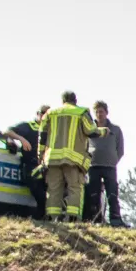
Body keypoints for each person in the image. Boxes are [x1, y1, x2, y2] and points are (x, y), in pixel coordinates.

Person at [38, 91, 106, 222]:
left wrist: (40, 156)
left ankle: (53, 218)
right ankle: (72, 219)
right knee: (74, 188)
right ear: (75, 100)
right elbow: (91, 131)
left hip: (52, 158)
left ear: (63, 100)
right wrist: (103, 131)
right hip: (73, 159)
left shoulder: (50, 113)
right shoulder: (81, 112)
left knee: (53, 189)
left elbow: (42, 136)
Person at [84, 100, 127, 226]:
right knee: (94, 195)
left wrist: (114, 160)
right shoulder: (90, 129)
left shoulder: (115, 129)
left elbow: (120, 149)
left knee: (112, 193)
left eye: (101, 111)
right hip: (93, 166)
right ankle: (95, 219)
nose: (99, 114)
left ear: (106, 112)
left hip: (110, 166)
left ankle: (115, 219)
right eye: (96, 112)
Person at [5, 106, 47, 217]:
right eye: (43, 113)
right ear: (38, 113)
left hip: (44, 166)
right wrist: (22, 139)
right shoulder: (29, 126)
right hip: (30, 164)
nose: (45, 116)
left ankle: (42, 215)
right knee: (37, 190)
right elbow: (8, 131)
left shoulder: (50, 129)